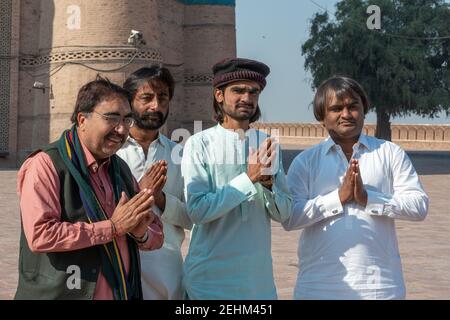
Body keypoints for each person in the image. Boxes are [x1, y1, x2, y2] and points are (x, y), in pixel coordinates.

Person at [15, 76, 164, 300]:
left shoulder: (119, 168)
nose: (121, 130)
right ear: (82, 119)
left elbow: (156, 234)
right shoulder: (46, 164)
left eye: (127, 120)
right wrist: (112, 227)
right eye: (112, 118)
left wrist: (140, 231)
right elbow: (40, 234)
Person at [284, 76, 429, 299]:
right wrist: (337, 198)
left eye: (353, 106)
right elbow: (290, 217)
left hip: (379, 287)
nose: (346, 114)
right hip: (317, 288)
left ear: (363, 110)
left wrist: (368, 198)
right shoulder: (306, 162)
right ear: (322, 117)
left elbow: (419, 206)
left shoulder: (390, 153)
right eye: (336, 108)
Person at [180, 57, 292, 299]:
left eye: (254, 92)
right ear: (219, 95)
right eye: (238, 90)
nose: (247, 98)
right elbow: (197, 211)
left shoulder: (267, 144)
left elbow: (284, 214)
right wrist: (248, 178)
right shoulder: (199, 144)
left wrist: (268, 184)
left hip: (256, 284)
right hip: (208, 283)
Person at [117, 66, 192, 300]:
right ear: (129, 101)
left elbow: (191, 217)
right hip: (118, 268)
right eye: (147, 98)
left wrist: (160, 199)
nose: (156, 106)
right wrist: (143, 192)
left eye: (163, 98)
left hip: (166, 274)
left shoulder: (180, 155)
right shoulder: (111, 152)